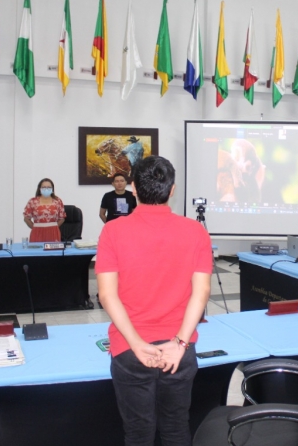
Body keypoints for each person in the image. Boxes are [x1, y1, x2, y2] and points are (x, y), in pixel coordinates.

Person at [95, 156, 211, 445]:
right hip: (179, 351)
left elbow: (107, 295)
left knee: (138, 433)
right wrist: (180, 344)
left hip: (129, 351)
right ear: (172, 190)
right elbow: (202, 292)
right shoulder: (195, 231)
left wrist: (135, 344)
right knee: (176, 428)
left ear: (133, 188)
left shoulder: (113, 231)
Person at [23, 178, 66, 242]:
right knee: (37, 251)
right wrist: (35, 227)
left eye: (49, 187)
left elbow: (62, 218)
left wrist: (53, 226)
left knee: (53, 251)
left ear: (52, 189)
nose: (46, 189)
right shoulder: (33, 201)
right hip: (37, 232)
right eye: (44, 187)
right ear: (39, 189)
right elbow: (26, 218)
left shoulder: (57, 201)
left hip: (53, 232)